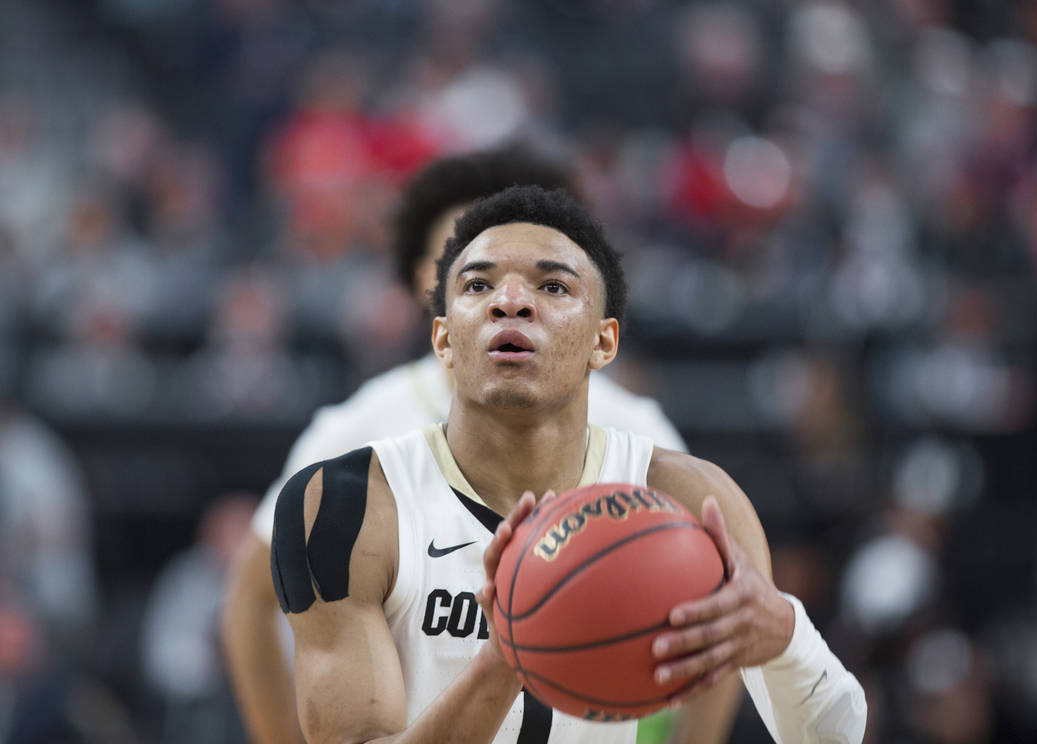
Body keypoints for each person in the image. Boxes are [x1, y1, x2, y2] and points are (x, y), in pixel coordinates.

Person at [270, 185, 867, 743]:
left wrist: (787, 635)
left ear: (604, 343)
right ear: (444, 339)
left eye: (553, 287)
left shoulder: (688, 501)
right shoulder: (348, 504)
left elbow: (833, 734)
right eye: (478, 286)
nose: (511, 301)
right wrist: (505, 658)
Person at [220, 146, 687, 744]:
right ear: (427, 280)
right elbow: (248, 601)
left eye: (542, 273)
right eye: (476, 265)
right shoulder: (354, 432)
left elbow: (713, 620)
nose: (512, 293)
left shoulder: (640, 435)